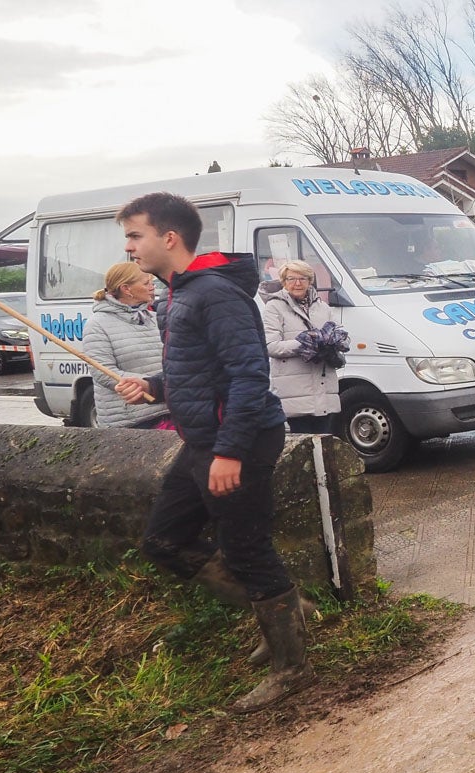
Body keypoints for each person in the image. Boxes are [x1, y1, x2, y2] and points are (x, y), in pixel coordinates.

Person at [112, 192, 311, 713]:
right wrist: (154, 387)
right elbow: (200, 372)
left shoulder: (215, 295)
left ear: (169, 237)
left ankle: (292, 666)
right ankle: (283, 611)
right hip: (204, 439)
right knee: (163, 541)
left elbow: (249, 377)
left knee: (247, 548)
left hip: (237, 441)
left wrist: (230, 452)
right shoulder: (177, 294)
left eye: (135, 235)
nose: (129, 247)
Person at [85, 262, 170, 429]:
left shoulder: (154, 318)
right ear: (126, 289)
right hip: (131, 421)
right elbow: (103, 373)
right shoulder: (97, 324)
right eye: (146, 283)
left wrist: (161, 385)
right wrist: (148, 385)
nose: (153, 287)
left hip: (167, 411)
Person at [262, 260, 341, 433]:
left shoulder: (323, 308)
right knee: (305, 446)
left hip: (324, 389)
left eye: (303, 278)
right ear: (283, 281)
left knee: (325, 445)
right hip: (294, 392)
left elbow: (340, 335)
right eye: (291, 279)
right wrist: (306, 342)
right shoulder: (274, 307)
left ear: (310, 281)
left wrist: (336, 342)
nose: (297, 283)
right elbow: (271, 346)